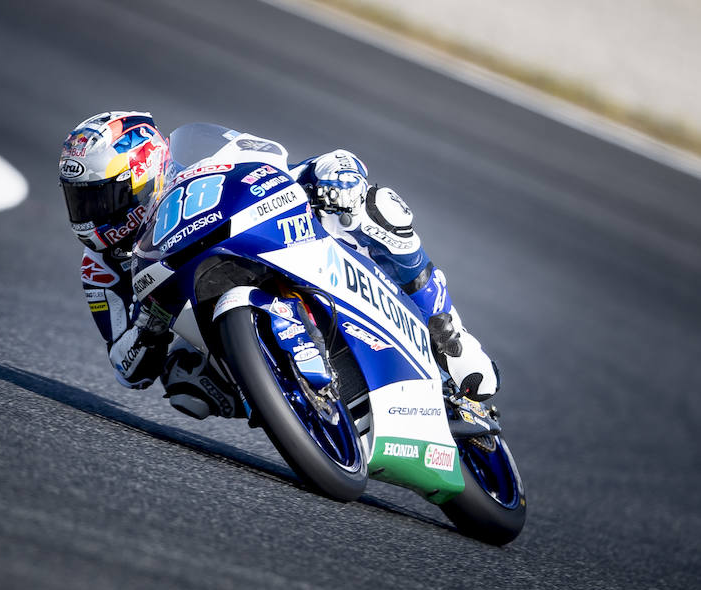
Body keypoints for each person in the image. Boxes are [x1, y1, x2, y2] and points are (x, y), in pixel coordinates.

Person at [59, 111, 499, 420]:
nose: (89, 213)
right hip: (210, 329)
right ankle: (285, 399)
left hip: (266, 235)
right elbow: (127, 370)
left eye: (101, 198)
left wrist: (331, 175)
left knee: (369, 202)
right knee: (186, 387)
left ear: (142, 174)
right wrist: (150, 325)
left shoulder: (194, 162)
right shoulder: (100, 268)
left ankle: (450, 334)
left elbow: (276, 163)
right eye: (79, 200)